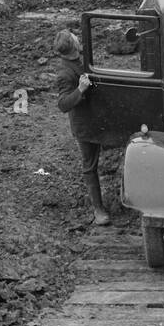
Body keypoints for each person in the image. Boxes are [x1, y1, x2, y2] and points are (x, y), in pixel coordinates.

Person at [54, 29, 111, 225]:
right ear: (72, 46)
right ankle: (98, 209)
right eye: (75, 37)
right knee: (90, 165)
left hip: (100, 118)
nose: (79, 37)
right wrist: (80, 89)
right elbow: (62, 104)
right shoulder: (65, 73)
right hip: (85, 125)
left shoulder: (82, 58)